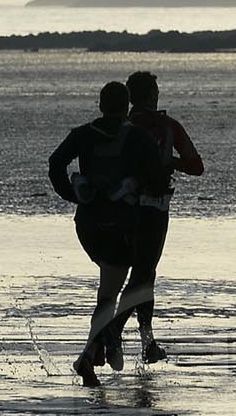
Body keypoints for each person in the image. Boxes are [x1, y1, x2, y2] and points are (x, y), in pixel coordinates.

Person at [48, 81, 165, 387]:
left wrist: (71, 193)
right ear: (127, 107)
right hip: (120, 226)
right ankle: (91, 354)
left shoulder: (82, 134)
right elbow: (156, 177)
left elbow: (55, 163)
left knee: (108, 287)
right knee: (113, 292)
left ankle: (96, 352)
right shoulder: (138, 137)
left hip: (87, 225)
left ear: (100, 105)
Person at [104, 70, 205, 367]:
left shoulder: (120, 126)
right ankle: (116, 331)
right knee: (143, 275)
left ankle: (147, 343)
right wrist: (168, 160)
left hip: (119, 209)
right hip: (154, 209)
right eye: (156, 92)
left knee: (142, 275)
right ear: (152, 95)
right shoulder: (168, 126)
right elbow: (196, 166)